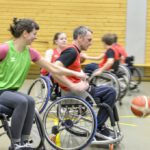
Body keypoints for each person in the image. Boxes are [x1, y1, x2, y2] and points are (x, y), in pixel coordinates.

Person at [0, 18, 88, 150]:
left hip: (10, 92)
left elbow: (53, 68)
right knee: (22, 102)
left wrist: (76, 74)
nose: (36, 37)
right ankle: (16, 144)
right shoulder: (5, 49)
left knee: (30, 100)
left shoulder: (30, 53)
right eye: (34, 34)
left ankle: (25, 142)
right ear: (25, 33)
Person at [54, 26, 117, 137]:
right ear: (80, 38)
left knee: (105, 89)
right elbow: (55, 69)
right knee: (111, 92)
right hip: (76, 93)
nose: (91, 43)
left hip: (79, 91)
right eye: (89, 40)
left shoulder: (75, 51)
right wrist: (72, 85)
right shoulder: (71, 51)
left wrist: (82, 77)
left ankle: (100, 126)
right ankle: (98, 127)